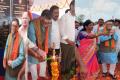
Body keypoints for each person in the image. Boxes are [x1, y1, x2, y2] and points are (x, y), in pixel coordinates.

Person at [18, 12, 46, 80]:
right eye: (24, 18)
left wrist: (38, 51)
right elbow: (27, 43)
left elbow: (30, 43)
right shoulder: (21, 30)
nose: (25, 20)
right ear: (21, 19)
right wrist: (37, 53)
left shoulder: (30, 26)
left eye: (27, 18)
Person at [28, 9, 52, 80]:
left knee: (44, 59)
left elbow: (48, 36)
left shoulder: (49, 24)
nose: (47, 25)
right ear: (42, 17)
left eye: (49, 23)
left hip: (42, 45)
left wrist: (49, 45)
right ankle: (34, 78)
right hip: (32, 46)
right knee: (33, 62)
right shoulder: (33, 24)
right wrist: (38, 51)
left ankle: (42, 74)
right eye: (46, 22)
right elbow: (32, 41)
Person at [59, 0, 76, 79]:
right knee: (64, 59)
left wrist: (73, 41)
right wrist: (68, 41)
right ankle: (62, 74)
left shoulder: (75, 17)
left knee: (70, 59)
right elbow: (61, 31)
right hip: (65, 43)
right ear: (71, 6)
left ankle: (67, 73)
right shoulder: (64, 17)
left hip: (72, 42)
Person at [47, 5, 61, 76]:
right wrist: (49, 45)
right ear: (51, 13)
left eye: (58, 12)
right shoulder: (49, 22)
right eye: (55, 13)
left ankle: (54, 76)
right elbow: (47, 35)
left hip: (58, 47)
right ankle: (52, 76)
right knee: (51, 65)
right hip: (51, 48)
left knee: (56, 64)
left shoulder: (59, 22)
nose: (57, 14)